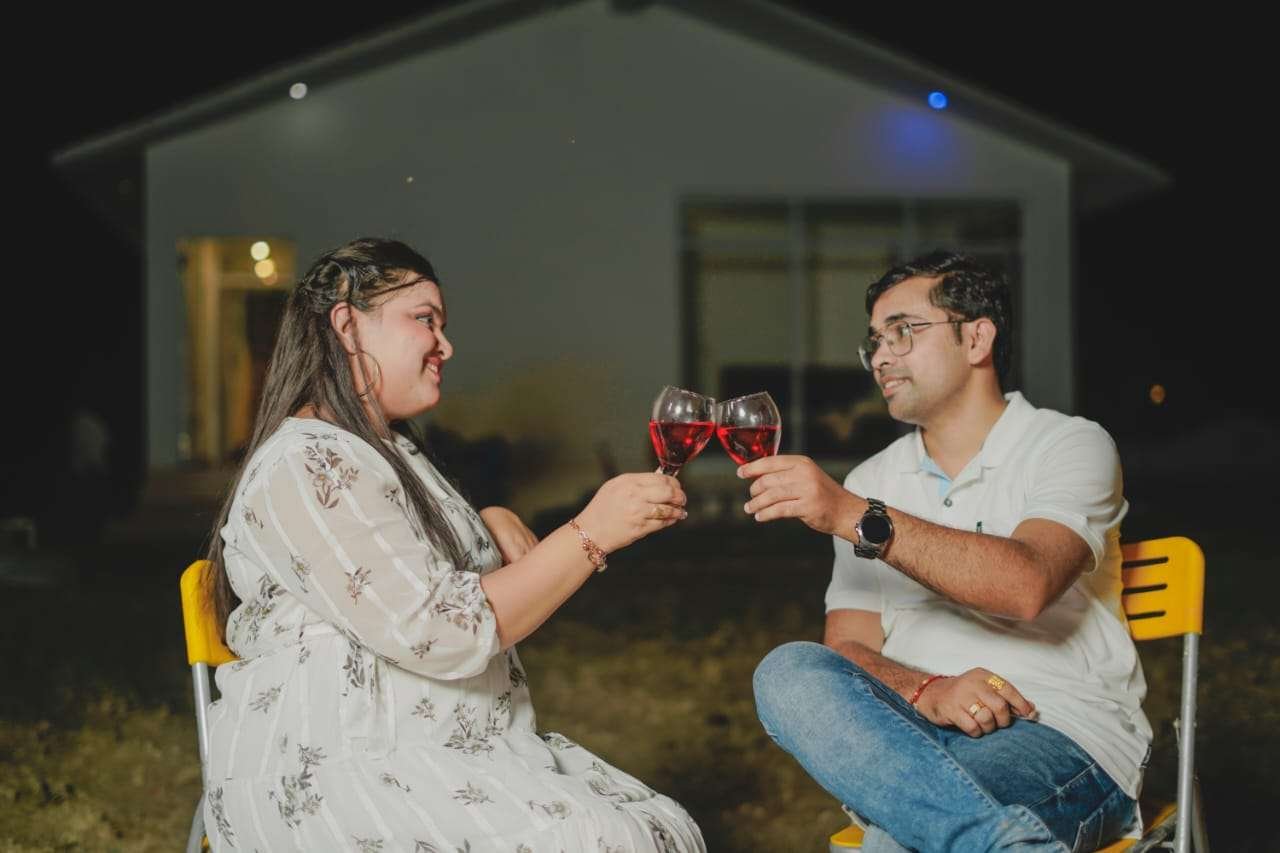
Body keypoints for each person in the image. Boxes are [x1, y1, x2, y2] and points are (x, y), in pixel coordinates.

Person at [201, 237, 705, 852]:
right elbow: (442, 629)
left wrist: (486, 522)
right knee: (605, 841)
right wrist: (590, 533)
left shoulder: (389, 452)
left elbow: (401, 560)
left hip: (454, 750)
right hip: (343, 764)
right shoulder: (306, 462)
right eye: (424, 319)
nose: (445, 345)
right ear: (348, 327)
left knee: (662, 828)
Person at [746, 251, 1150, 851]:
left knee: (896, 842)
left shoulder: (1069, 445)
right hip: (909, 735)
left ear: (977, 338)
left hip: (1054, 731)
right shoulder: (871, 479)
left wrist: (852, 515)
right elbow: (848, 646)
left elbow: (1026, 585)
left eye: (903, 332)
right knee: (787, 671)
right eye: (875, 341)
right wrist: (927, 690)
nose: (880, 357)